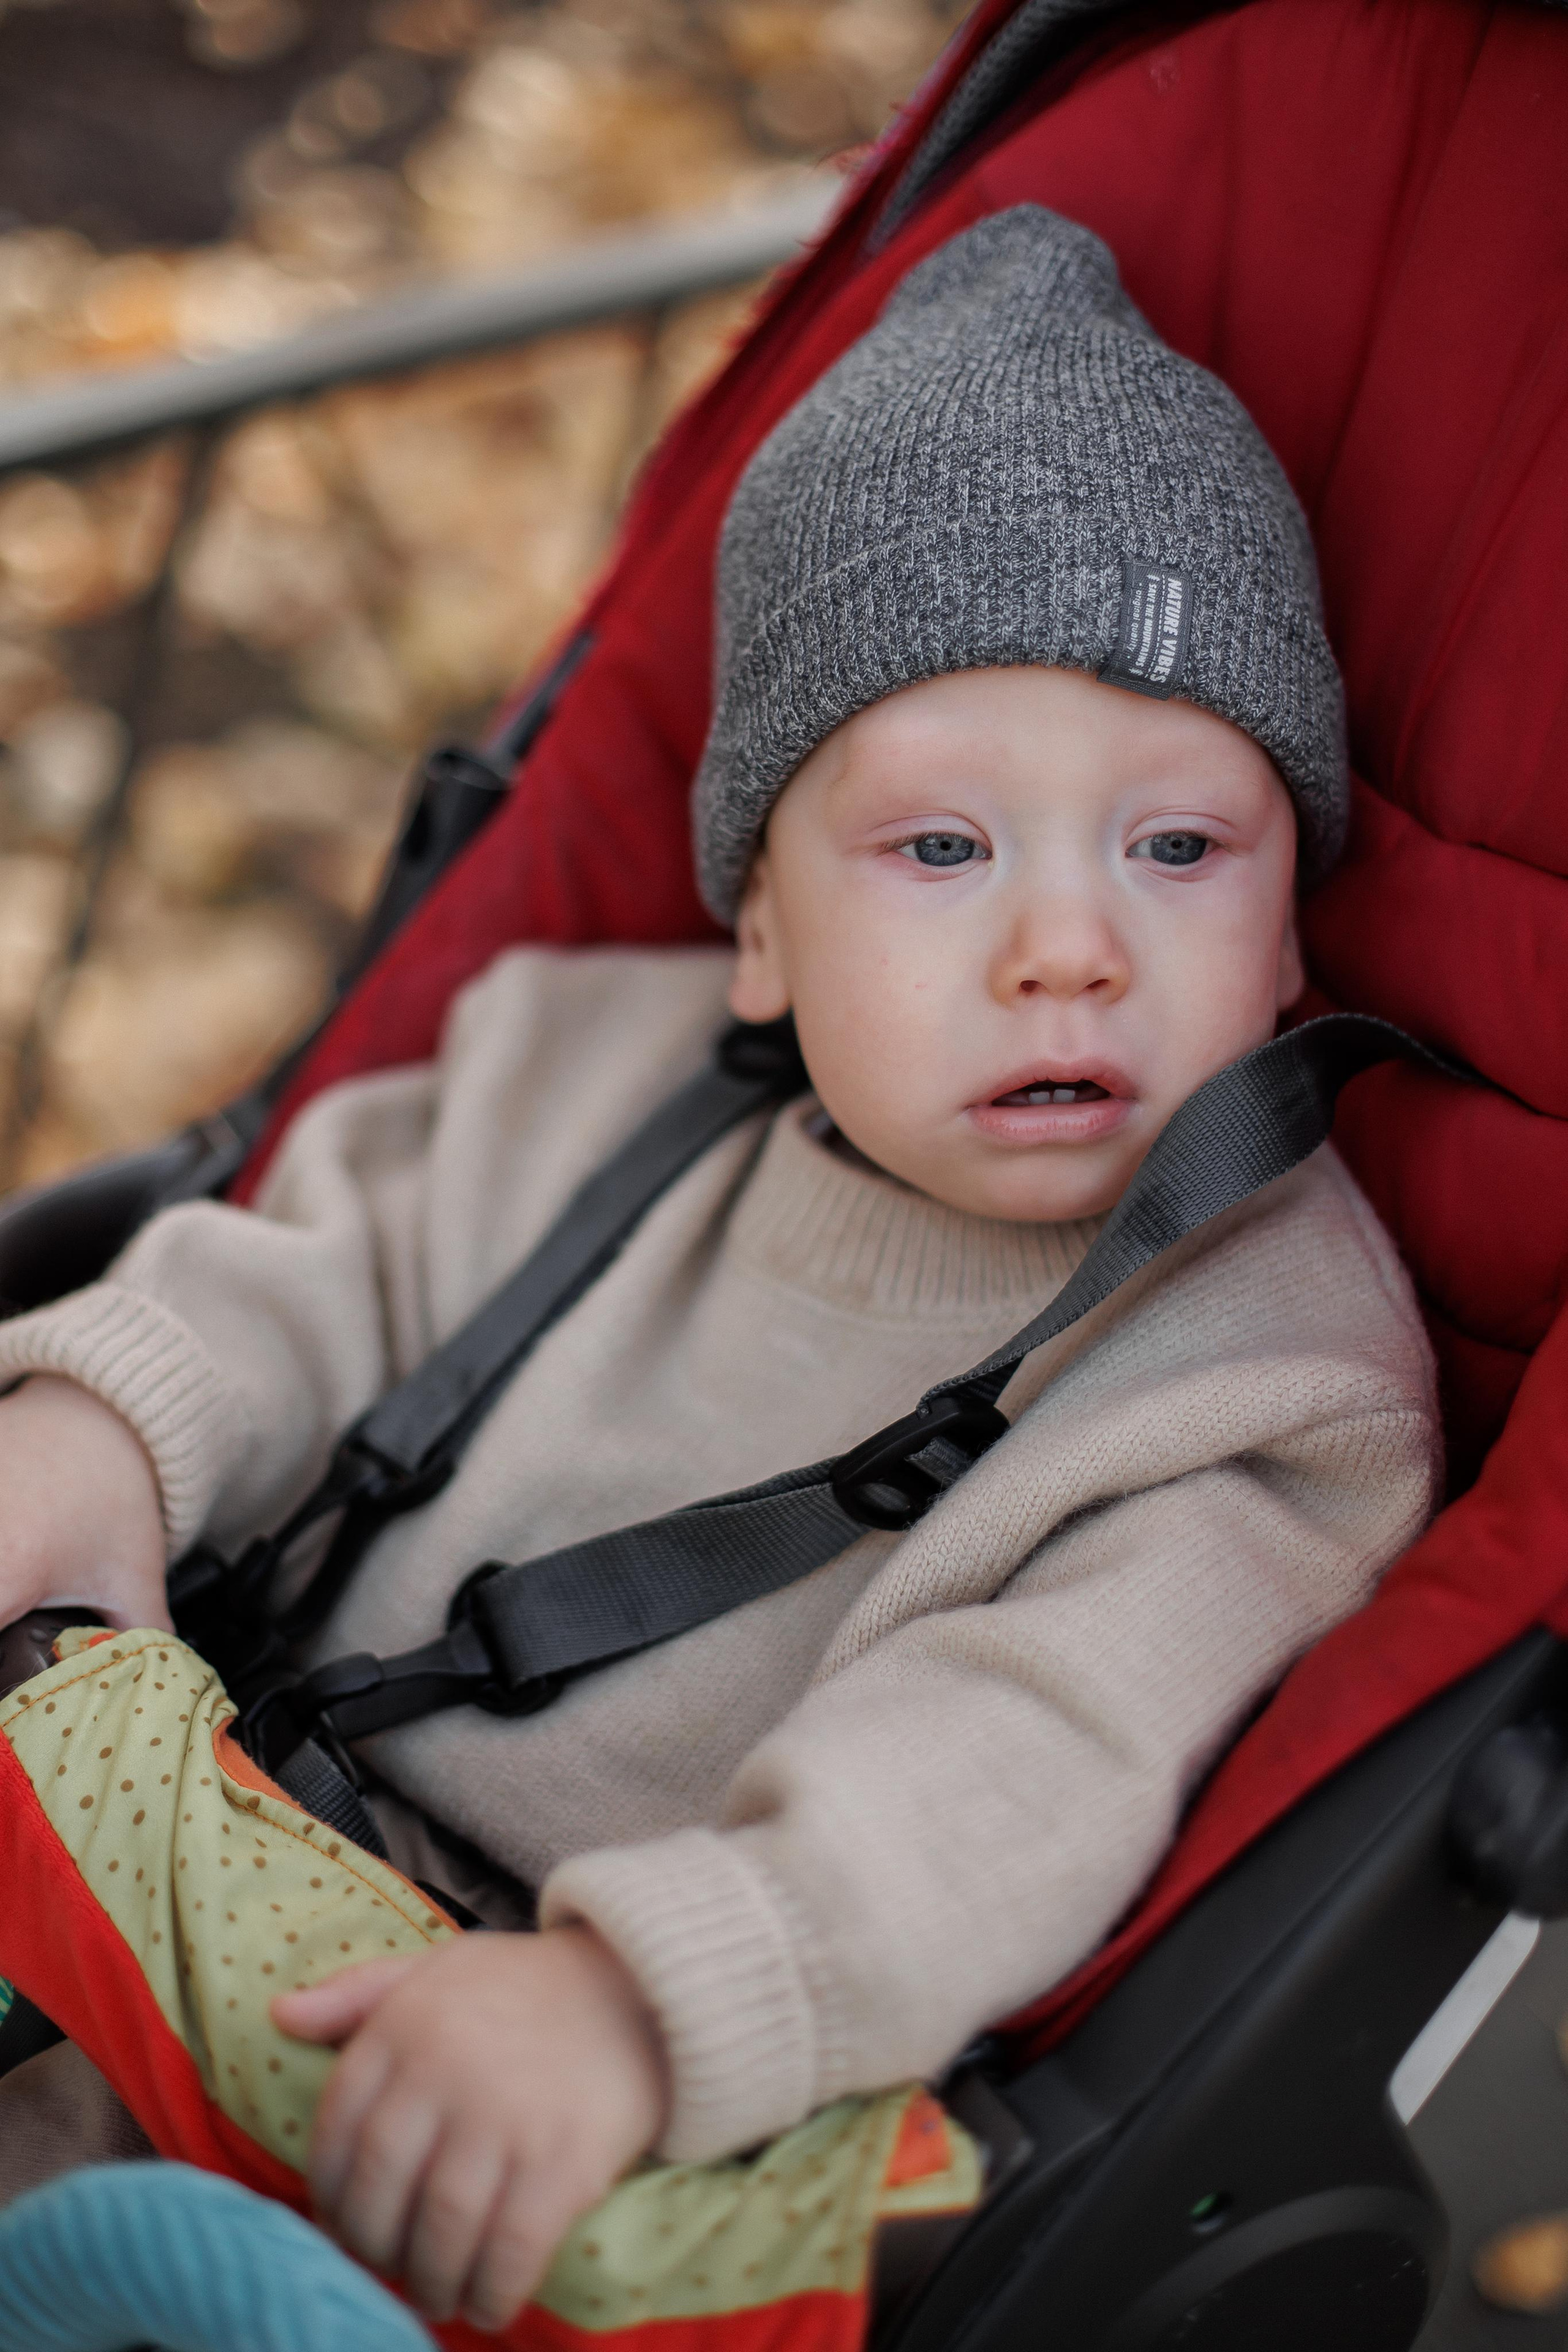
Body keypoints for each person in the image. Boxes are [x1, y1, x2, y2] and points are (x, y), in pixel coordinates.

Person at [0, 208, 1438, 2335]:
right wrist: (106, 1425)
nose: (1072, 942)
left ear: (1298, 928)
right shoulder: (580, 1063)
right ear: (761, 933)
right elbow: (311, 1271)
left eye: (1182, 847)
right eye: (943, 850)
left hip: (583, 2126)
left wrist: (651, 1996)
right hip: (180, 1883)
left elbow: (1033, 1752)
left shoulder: (1264, 1369)